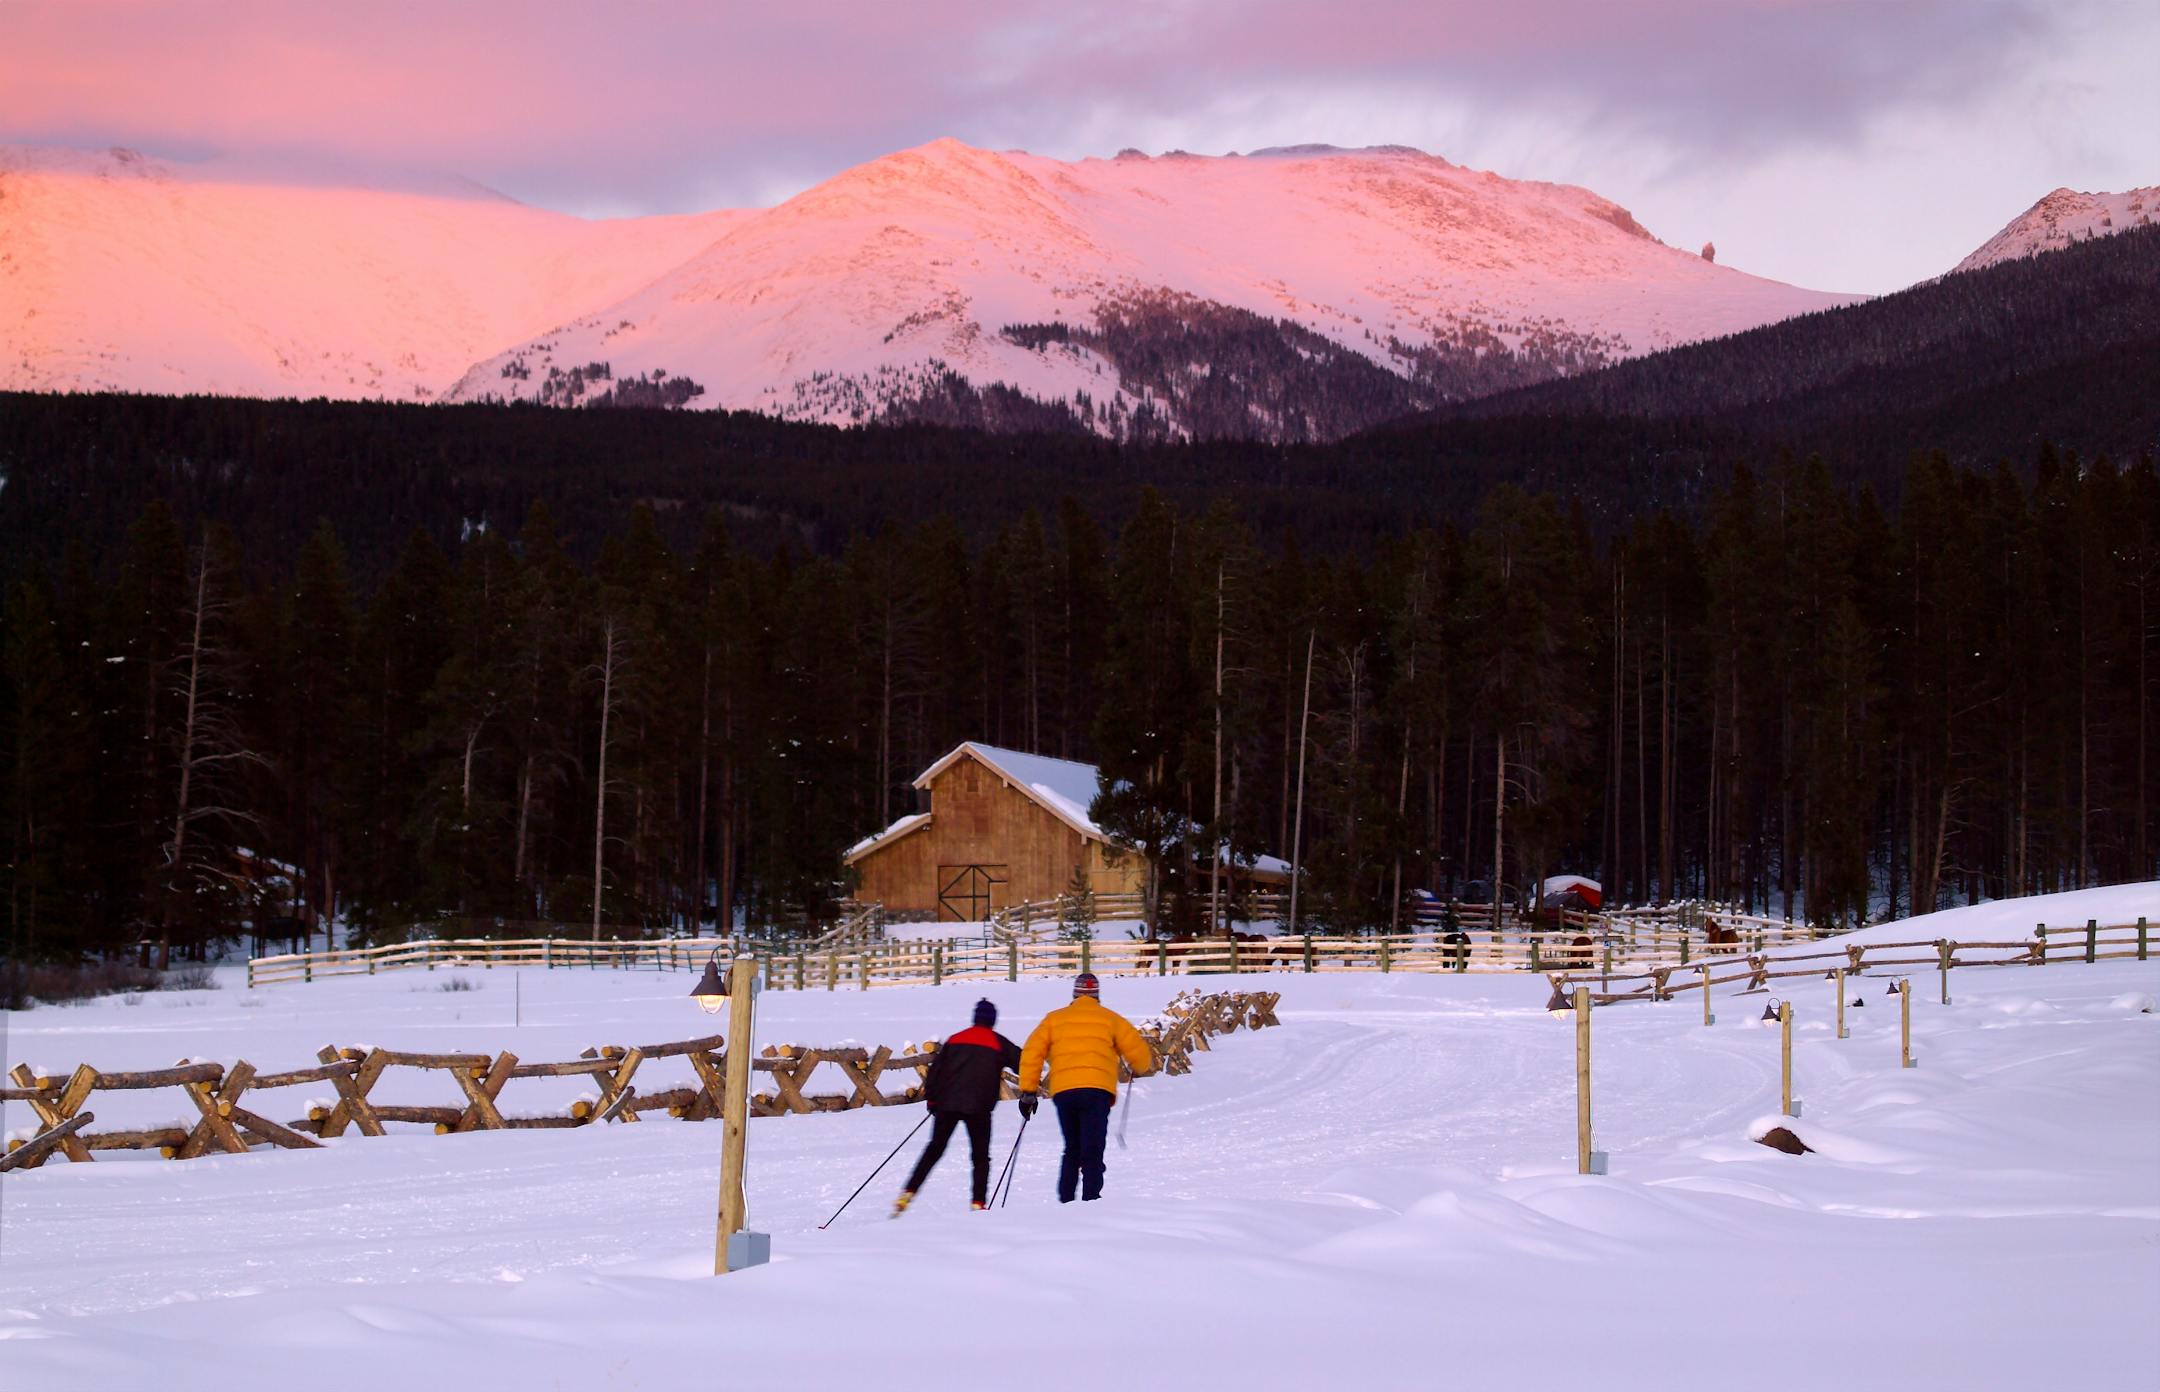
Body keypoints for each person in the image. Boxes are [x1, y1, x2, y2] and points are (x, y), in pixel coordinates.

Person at [1018, 972, 1156, 1203]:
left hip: (1065, 1092)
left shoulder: (1053, 1019)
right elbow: (1140, 1055)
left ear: (1075, 994)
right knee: (1092, 1148)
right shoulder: (1110, 1019)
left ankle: (1065, 1202)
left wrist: (1028, 1091)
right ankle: (1091, 1200)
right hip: (1097, 1091)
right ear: (1097, 995)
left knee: (1072, 1147)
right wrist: (1138, 1065)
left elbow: (1032, 1053)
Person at [893, 998, 1022, 1216]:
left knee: (934, 1149)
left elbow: (935, 1072)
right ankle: (978, 1203)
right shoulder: (997, 1042)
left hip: (946, 1104)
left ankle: (908, 1192)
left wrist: (932, 1100)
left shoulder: (956, 1039)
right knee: (980, 1157)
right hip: (979, 1108)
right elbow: (1024, 1063)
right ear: (992, 1020)